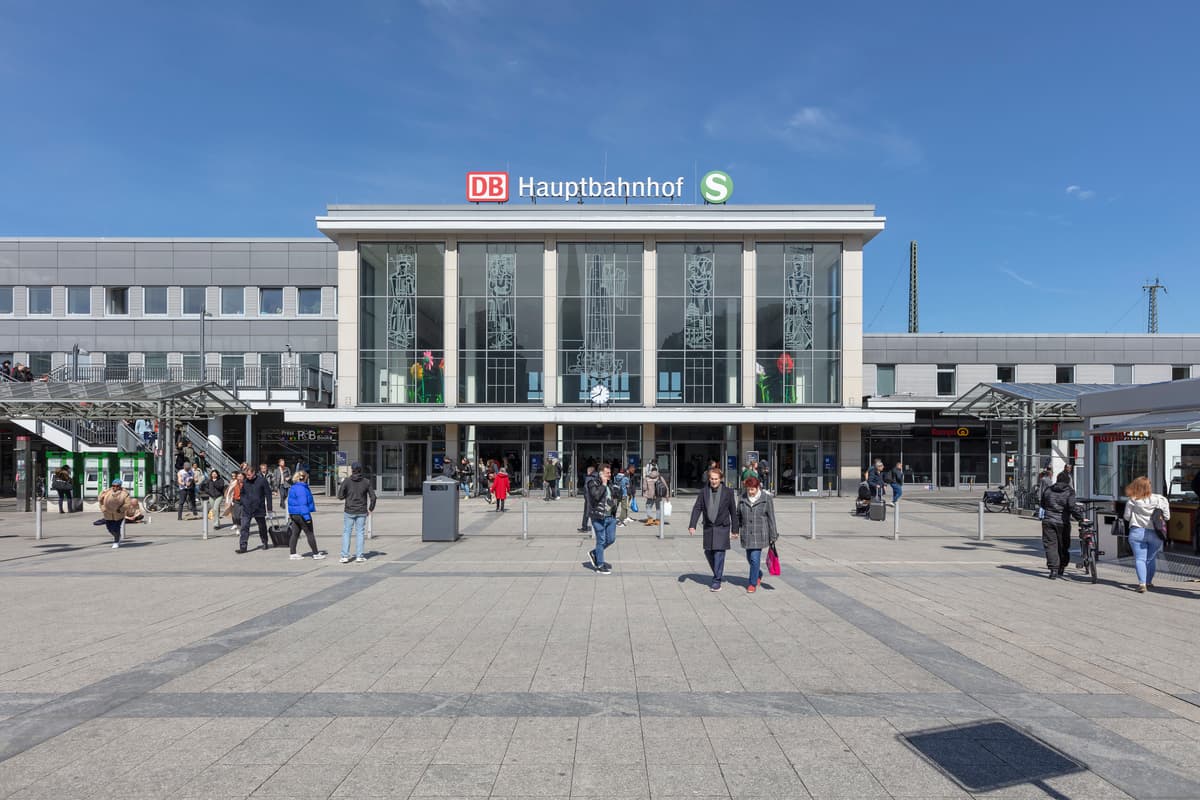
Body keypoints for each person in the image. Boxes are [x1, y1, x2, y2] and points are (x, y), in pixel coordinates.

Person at [689, 468, 739, 591]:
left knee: (719, 553)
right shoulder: (704, 492)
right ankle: (718, 573)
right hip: (709, 527)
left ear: (720, 479)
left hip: (722, 527)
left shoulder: (728, 492)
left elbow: (733, 512)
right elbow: (697, 508)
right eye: (712, 479)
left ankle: (716, 581)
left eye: (716, 479)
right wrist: (692, 525)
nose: (714, 481)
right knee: (708, 552)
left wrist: (735, 530)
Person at [1123, 476, 1170, 593]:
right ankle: (1149, 582)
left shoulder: (1132, 500)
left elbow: (1127, 517)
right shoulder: (1161, 499)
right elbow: (1167, 517)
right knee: (1151, 558)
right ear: (1149, 486)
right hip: (1156, 533)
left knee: (1140, 559)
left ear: (1136, 486)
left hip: (1137, 532)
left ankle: (1142, 584)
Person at [737, 477, 778, 593]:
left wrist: (773, 535)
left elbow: (771, 518)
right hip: (746, 533)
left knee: (755, 559)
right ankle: (758, 573)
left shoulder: (766, 499)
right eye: (748, 489)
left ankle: (752, 583)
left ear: (758, 487)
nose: (750, 492)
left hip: (759, 534)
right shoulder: (742, 498)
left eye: (752, 489)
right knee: (750, 558)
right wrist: (735, 530)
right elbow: (738, 515)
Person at [1039, 471, 1081, 579]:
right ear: (1068, 481)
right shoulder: (1069, 491)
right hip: (1063, 522)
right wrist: (1080, 518)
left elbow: (1042, 504)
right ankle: (1062, 566)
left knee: (1050, 545)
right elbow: (1072, 507)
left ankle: (1053, 570)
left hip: (1048, 521)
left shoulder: (1048, 489)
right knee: (1063, 546)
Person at [337, 462, 376, 563]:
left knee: (347, 532)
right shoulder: (366, 482)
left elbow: (340, 496)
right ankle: (359, 556)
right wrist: (371, 508)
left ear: (352, 470)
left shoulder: (347, 481)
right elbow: (373, 497)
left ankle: (345, 556)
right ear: (360, 470)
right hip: (362, 510)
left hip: (349, 510)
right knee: (360, 533)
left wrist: (347, 495)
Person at [586, 463, 619, 575]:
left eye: (610, 472)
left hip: (611, 516)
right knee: (601, 540)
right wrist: (603, 485)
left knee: (611, 539)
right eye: (607, 473)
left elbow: (613, 497)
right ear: (601, 474)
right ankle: (600, 565)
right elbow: (596, 496)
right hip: (599, 516)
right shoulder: (592, 483)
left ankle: (595, 553)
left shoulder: (610, 483)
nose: (609, 474)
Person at [286, 470, 325, 560]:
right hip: (301, 514)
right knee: (310, 533)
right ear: (303, 478)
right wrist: (307, 517)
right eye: (307, 478)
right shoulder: (301, 489)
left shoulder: (294, 486)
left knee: (295, 534)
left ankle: (293, 553)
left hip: (294, 513)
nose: (307, 479)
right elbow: (303, 504)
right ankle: (315, 553)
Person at [235, 465, 273, 554]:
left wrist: (269, 508)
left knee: (262, 526)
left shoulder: (262, 481)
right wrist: (243, 502)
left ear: (254, 473)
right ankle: (243, 547)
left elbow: (268, 494)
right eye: (246, 475)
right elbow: (242, 493)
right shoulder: (245, 482)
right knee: (244, 527)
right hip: (247, 508)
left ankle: (264, 542)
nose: (247, 477)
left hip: (259, 507)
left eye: (249, 475)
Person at [98, 478, 134, 548]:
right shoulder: (107, 492)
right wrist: (103, 509)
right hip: (108, 514)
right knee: (110, 529)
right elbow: (100, 501)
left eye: (117, 486)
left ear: (120, 486)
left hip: (118, 515)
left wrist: (121, 509)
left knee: (116, 528)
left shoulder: (124, 494)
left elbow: (127, 503)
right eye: (113, 486)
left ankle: (116, 541)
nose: (115, 487)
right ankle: (117, 536)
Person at [642, 462, 670, 526]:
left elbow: (644, 487)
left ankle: (650, 519)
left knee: (648, 507)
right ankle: (657, 520)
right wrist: (667, 496)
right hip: (658, 495)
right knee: (658, 508)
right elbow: (666, 487)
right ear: (656, 470)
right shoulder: (659, 477)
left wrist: (645, 494)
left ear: (651, 471)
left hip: (650, 495)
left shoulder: (647, 477)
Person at [578, 464, 597, 532]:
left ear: (590, 471)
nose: (587, 472)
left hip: (589, 498)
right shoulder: (597, 477)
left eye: (587, 471)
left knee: (586, 513)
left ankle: (584, 527)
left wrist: (586, 497)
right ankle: (595, 526)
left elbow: (586, 489)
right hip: (595, 498)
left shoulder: (588, 478)